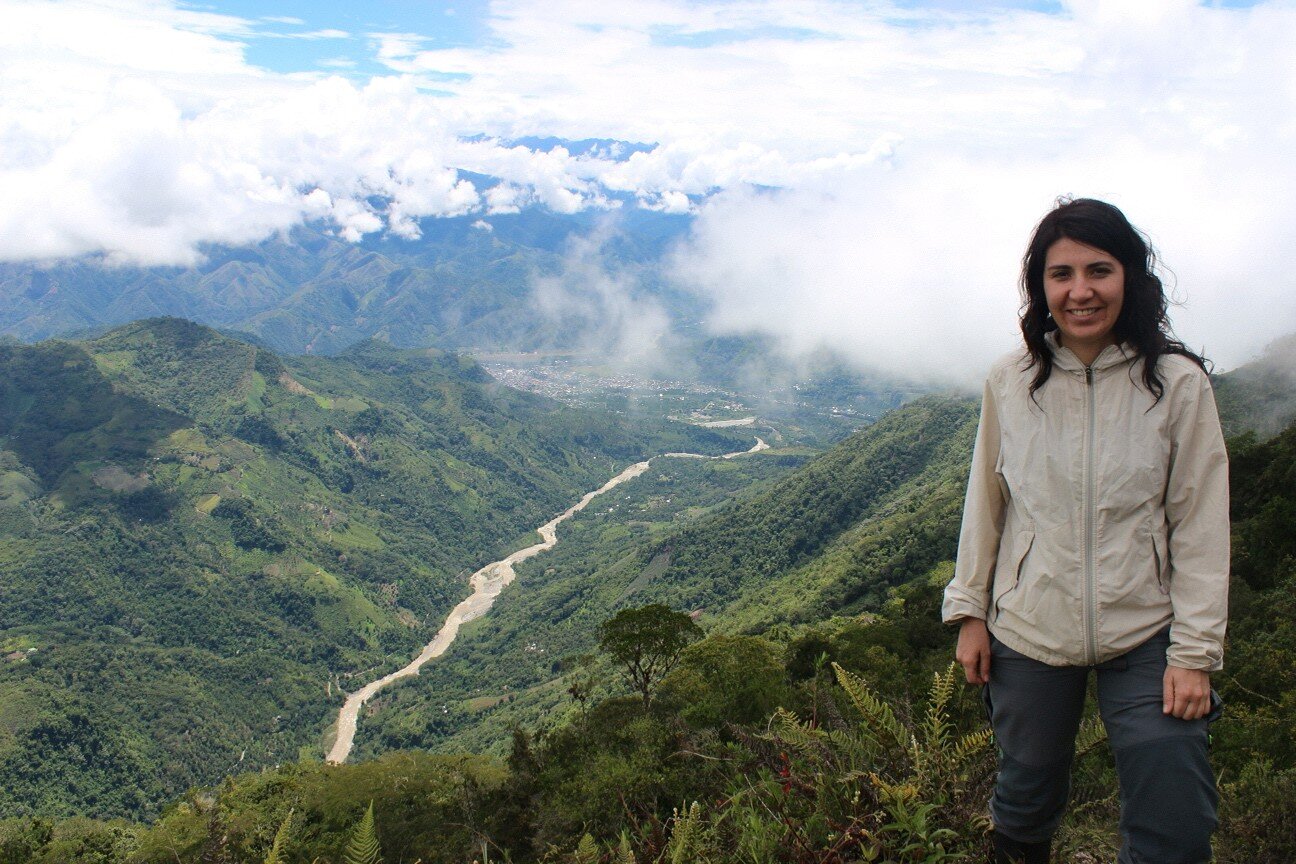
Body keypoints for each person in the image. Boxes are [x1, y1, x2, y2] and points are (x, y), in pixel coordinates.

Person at [942, 198, 1229, 864]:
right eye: (1060, 273)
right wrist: (970, 612)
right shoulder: (1011, 383)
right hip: (1030, 622)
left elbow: (1201, 527)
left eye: (1098, 270)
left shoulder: (1177, 385)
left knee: (1174, 813)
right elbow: (986, 501)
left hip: (1148, 626)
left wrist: (1193, 654)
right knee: (1026, 796)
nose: (1080, 291)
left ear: (1129, 276)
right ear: (1040, 287)